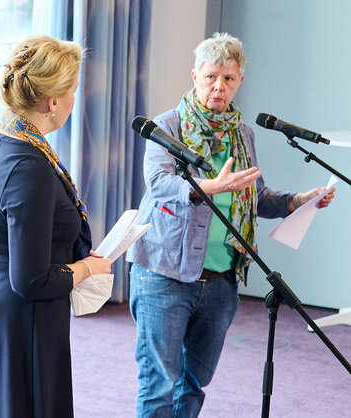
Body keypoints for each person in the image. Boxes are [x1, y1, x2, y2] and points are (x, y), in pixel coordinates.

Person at [126, 32, 335, 417]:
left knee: (194, 384)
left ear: (239, 82)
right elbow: (158, 184)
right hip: (165, 274)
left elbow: (254, 197)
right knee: (159, 383)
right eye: (210, 77)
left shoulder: (243, 134)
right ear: (194, 76)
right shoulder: (167, 126)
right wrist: (208, 186)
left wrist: (296, 202)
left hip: (221, 280)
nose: (218, 86)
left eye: (228, 78)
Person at [0, 35, 112, 418]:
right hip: (21, 323)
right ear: (53, 101)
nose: (76, 100)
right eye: (73, 91)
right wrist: (87, 267)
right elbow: (31, 281)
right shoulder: (29, 167)